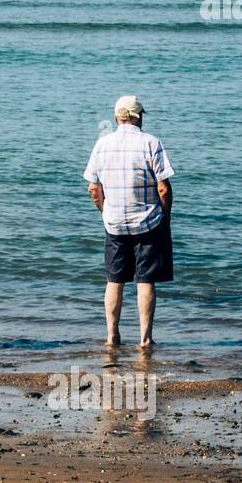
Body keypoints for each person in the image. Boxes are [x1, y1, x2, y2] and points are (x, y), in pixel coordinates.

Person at [83, 95, 175, 347]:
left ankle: (112, 336)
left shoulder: (103, 144)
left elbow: (93, 188)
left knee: (114, 280)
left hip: (114, 224)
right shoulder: (151, 143)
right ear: (138, 116)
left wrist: (105, 212)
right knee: (145, 281)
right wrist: (165, 217)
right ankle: (145, 339)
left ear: (116, 118)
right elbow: (164, 188)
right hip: (147, 223)